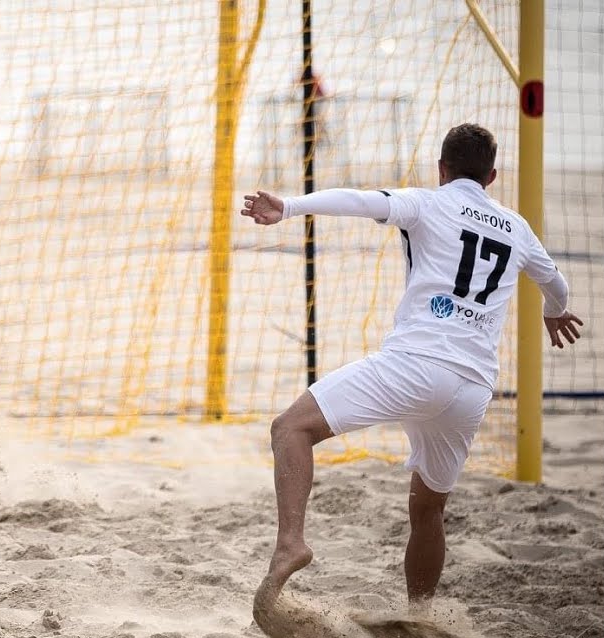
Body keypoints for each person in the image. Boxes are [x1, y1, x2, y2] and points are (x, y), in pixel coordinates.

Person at [240, 123, 583, 610]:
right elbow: (557, 285)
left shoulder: (427, 201)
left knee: (290, 428)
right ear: (492, 177)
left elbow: (359, 201)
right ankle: (420, 614)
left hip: (416, 365)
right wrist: (553, 314)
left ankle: (291, 543)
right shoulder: (517, 227)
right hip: (473, 388)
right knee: (428, 507)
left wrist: (290, 207)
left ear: (442, 169)